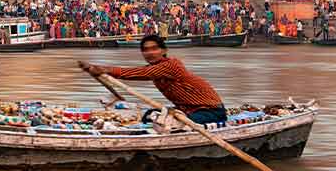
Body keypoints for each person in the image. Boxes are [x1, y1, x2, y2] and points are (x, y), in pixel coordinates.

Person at [82, 34, 227, 125]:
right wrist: (99, 70)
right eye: (145, 50)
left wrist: (104, 69)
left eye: (154, 48)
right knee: (148, 116)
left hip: (210, 110)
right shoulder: (155, 69)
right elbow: (140, 72)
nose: (150, 53)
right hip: (187, 109)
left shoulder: (171, 65)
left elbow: (140, 73)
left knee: (173, 124)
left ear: (164, 51)